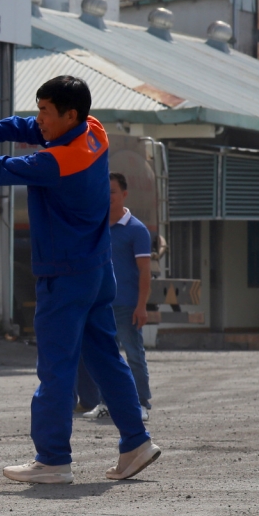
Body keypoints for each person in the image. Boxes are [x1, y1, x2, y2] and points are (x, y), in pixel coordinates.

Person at [0, 76, 160, 484]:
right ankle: (136, 442)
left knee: (56, 367)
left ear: (70, 114)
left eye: (46, 110)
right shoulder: (93, 132)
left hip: (65, 274)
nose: (39, 118)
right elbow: (28, 128)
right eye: (40, 108)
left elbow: (0, 169)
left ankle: (53, 460)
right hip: (97, 272)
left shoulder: (56, 161)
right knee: (105, 358)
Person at [76, 173, 154, 421]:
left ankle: (141, 404)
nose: (107, 196)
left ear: (124, 195)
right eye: (104, 191)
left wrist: (141, 306)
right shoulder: (95, 227)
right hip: (99, 305)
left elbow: (144, 272)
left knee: (134, 355)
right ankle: (104, 403)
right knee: (103, 358)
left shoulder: (136, 230)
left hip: (126, 305)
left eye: (112, 192)